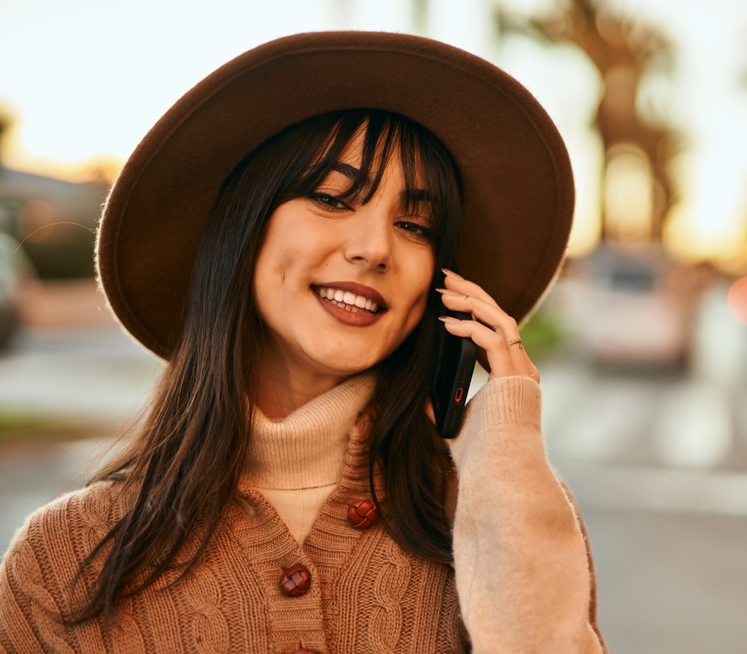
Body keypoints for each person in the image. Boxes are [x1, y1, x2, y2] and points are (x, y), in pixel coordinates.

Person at [0, 32, 605, 653]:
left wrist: (504, 446)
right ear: (245, 226)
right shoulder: (60, 565)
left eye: (414, 226)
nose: (374, 248)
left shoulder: (505, 513)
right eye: (330, 198)